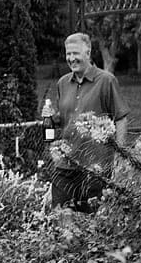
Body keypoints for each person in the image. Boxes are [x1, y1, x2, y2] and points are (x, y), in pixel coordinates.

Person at [45, 32, 128, 210]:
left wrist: (120, 156)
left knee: (94, 221)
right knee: (59, 216)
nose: (71, 58)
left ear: (88, 53)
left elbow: (121, 118)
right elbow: (65, 119)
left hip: (96, 167)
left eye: (76, 53)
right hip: (66, 164)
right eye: (68, 54)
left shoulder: (106, 81)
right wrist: (52, 116)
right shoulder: (62, 83)